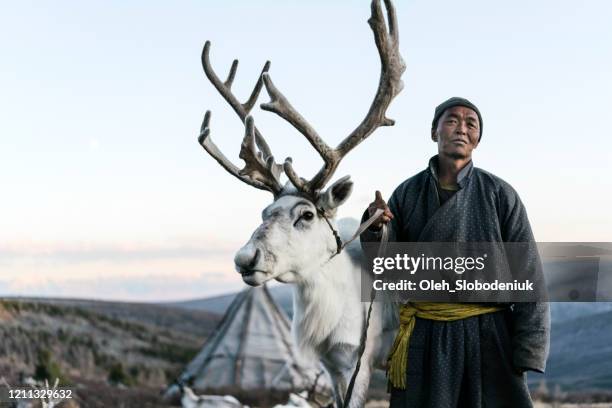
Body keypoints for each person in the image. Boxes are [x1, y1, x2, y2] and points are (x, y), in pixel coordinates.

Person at [360, 97, 550, 407]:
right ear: (434, 132)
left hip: (489, 335)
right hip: (426, 333)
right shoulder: (407, 193)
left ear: (477, 138)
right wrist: (375, 229)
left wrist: (528, 346)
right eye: (451, 120)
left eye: (470, 123)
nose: (461, 128)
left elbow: (529, 275)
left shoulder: (500, 194)